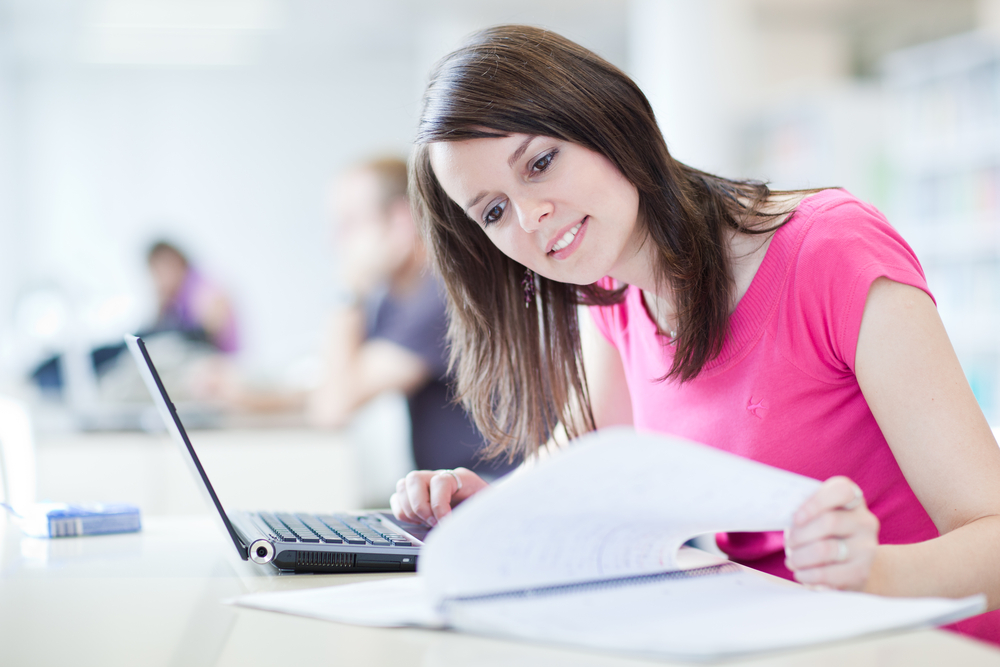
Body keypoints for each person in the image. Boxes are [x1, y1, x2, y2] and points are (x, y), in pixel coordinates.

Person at [388, 25, 1000, 643]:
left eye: (541, 163)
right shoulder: (613, 298)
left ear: (609, 120)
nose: (530, 216)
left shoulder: (830, 250)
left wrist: (875, 572)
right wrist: (478, 506)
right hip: (776, 638)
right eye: (492, 211)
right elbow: (572, 473)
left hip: (929, 642)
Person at [302, 157, 513, 477]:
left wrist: (347, 291)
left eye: (349, 224)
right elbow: (336, 380)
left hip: (491, 486)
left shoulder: (440, 295)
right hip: (452, 485)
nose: (335, 242)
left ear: (401, 220)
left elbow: (333, 407)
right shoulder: (397, 296)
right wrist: (250, 399)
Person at [146, 240, 239, 353]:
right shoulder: (177, 297)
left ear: (176, 263)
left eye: (160, 272)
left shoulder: (201, 287)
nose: (158, 281)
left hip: (222, 360)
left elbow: (207, 331)